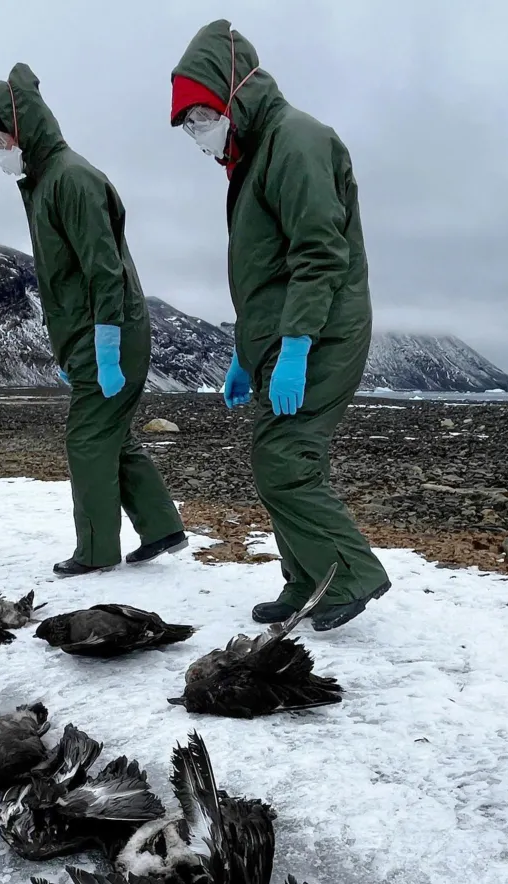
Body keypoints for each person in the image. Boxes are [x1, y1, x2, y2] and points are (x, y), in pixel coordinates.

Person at [169, 20, 390, 631]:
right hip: (283, 338)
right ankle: (306, 582)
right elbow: (263, 275)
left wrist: (295, 346)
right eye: (186, 123)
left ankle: (351, 573)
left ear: (234, 95)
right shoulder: (255, 154)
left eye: (201, 115)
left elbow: (317, 253)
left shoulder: (295, 141)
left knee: (283, 459)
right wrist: (248, 353)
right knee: (284, 461)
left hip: (322, 331)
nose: (196, 132)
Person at [0, 64, 187, 575]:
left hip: (111, 331)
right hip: (92, 336)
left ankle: (95, 551)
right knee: (111, 432)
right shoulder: (46, 181)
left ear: (22, 129)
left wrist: (107, 343)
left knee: (88, 437)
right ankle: (162, 529)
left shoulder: (71, 179)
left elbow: (102, 268)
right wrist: (71, 349)